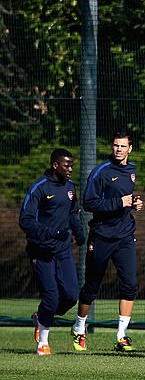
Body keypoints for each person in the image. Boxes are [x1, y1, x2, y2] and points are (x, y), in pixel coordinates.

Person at [75, 129, 144, 352]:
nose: (118, 149)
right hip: (102, 236)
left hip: (124, 236)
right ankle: (79, 328)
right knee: (92, 286)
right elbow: (89, 203)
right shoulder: (101, 171)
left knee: (130, 285)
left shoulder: (132, 170)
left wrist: (134, 203)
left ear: (130, 149)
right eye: (115, 145)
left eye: (123, 146)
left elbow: (126, 199)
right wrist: (119, 202)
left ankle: (121, 336)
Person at [21, 149, 84, 355]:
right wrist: (50, 232)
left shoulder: (71, 187)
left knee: (71, 295)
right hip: (41, 250)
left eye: (72, 165)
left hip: (63, 248)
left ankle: (41, 316)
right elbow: (26, 220)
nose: (70, 169)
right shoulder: (40, 187)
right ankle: (43, 343)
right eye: (66, 165)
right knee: (51, 296)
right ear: (55, 165)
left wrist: (79, 232)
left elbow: (73, 213)